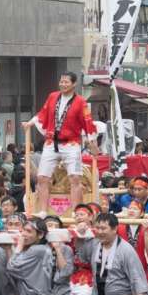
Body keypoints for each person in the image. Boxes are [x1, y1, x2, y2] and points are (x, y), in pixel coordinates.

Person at [22, 71, 99, 214]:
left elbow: (88, 122)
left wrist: (92, 141)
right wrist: (30, 123)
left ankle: (77, 211)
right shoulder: (52, 97)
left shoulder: (81, 102)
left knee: (75, 179)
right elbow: (42, 113)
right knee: (42, 178)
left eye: (66, 82)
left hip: (71, 144)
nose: (63, 84)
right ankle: (43, 211)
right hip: (51, 143)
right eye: (61, 81)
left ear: (74, 84)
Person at [65, 205, 95, 295]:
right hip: (67, 275)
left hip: (86, 275)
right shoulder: (69, 231)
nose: (79, 217)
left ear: (91, 217)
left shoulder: (96, 233)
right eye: (76, 214)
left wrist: (82, 235)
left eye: (82, 214)